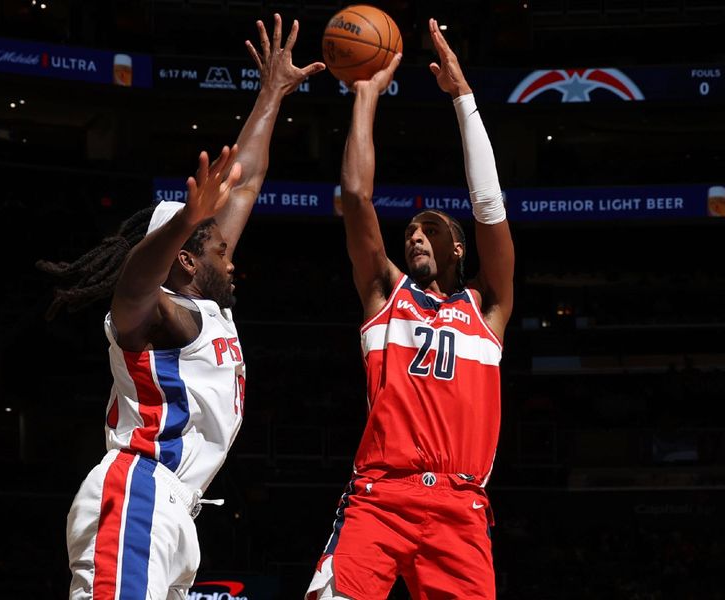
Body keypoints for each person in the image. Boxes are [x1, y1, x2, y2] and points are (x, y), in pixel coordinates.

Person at [38, 15, 324, 599]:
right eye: (218, 246)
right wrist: (189, 221)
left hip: (175, 511)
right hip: (137, 491)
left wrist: (271, 92)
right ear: (188, 260)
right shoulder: (156, 315)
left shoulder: (207, 302)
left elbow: (244, 184)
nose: (233, 255)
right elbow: (133, 287)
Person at [306, 19, 514, 600]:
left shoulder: (488, 305)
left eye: (430, 230)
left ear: (457, 247)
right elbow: (356, 198)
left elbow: (490, 207)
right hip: (379, 496)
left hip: (460, 504)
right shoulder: (384, 295)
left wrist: (464, 99)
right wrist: (366, 98)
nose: (414, 238)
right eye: (410, 233)